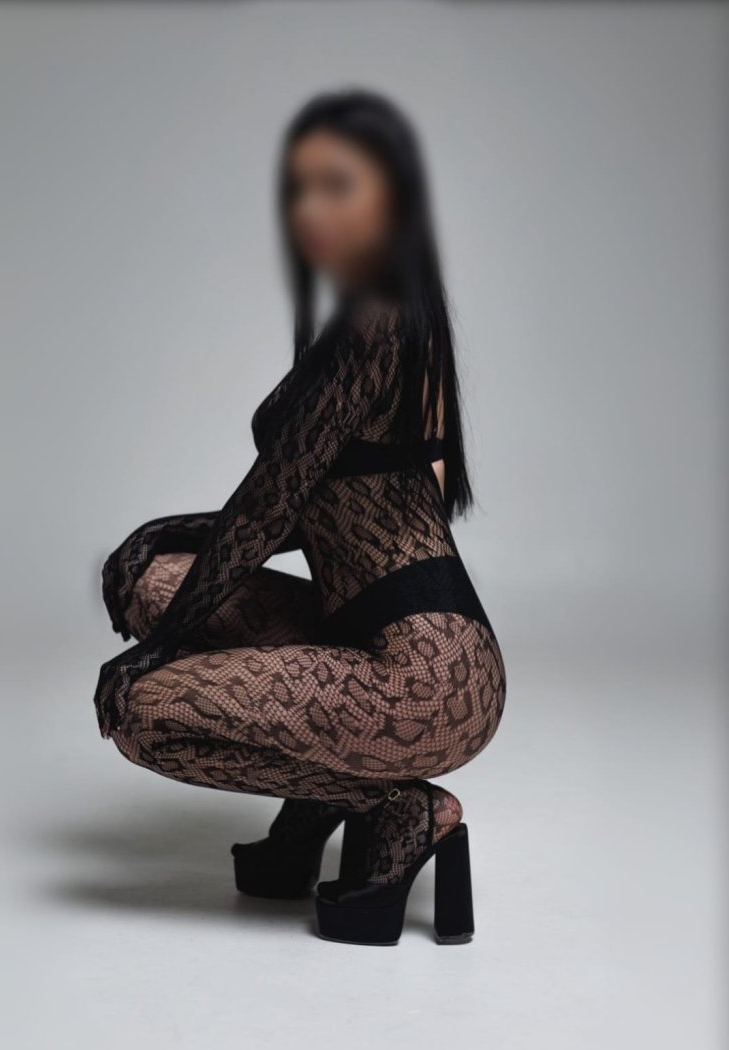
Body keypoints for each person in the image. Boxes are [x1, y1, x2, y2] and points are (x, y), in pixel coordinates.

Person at [95, 90, 506, 946]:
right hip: (367, 637)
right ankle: (327, 798)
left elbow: (269, 503)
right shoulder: (382, 318)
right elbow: (313, 510)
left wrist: (156, 649)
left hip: (428, 677)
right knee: (152, 583)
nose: (309, 208)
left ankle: (394, 808)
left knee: (141, 710)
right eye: (299, 187)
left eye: (336, 184)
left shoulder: (381, 319)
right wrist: (155, 542)